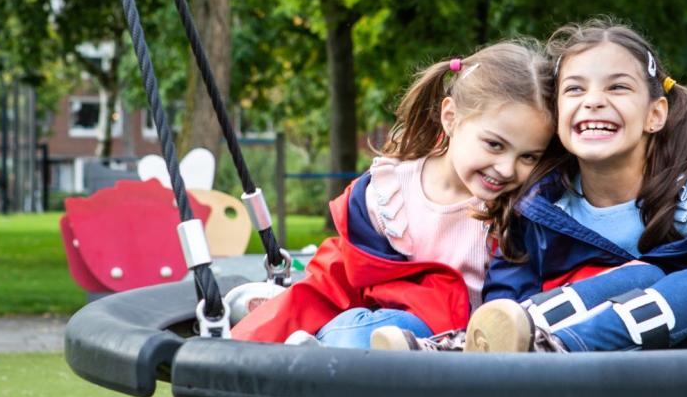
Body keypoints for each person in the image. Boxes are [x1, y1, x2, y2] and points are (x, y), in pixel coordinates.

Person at [452, 17, 687, 356]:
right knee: (637, 276)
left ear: (655, 114)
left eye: (617, 88)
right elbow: (506, 299)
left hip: (676, 376)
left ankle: (564, 349)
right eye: (575, 89)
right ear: (558, 116)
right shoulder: (539, 208)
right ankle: (493, 350)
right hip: (563, 383)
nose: (594, 101)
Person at [228, 40, 555, 350]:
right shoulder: (390, 193)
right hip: (384, 325)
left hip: (459, 348)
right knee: (368, 324)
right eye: (494, 145)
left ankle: (328, 350)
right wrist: (244, 340)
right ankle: (303, 338)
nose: (507, 168)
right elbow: (337, 277)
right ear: (451, 117)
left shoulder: (518, 212)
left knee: (374, 329)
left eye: (528, 157)